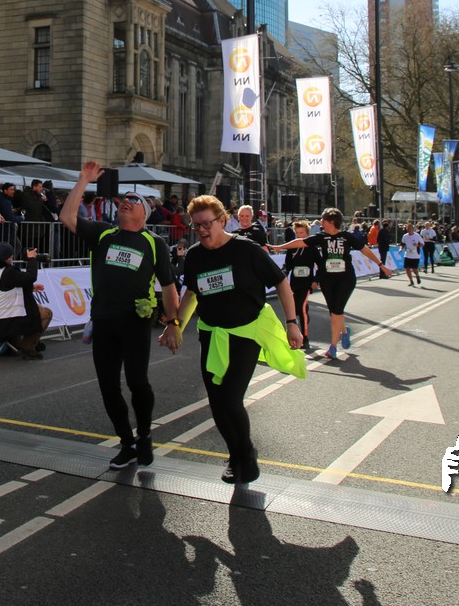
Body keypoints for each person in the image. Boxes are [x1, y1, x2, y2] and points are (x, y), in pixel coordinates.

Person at [160, 195, 304, 484]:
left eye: (207, 224)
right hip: (212, 334)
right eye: (196, 225)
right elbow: (192, 293)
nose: (202, 230)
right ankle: (235, 455)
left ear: (223, 220)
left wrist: (292, 324)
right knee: (216, 402)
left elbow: (281, 282)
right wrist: (175, 325)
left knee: (230, 398)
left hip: (246, 332)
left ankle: (246, 454)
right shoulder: (196, 256)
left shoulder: (246, 250)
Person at [59, 161, 177, 470]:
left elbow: (168, 286)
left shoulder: (154, 243)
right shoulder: (103, 234)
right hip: (104, 321)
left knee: (138, 382)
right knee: (108, 386)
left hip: (134, 323)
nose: (126, 200)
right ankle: (127, 443)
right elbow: (67, 217)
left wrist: (173, 322)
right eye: (124, 198)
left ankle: (145, 434)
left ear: (144, 214)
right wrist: (83, 180)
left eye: (134, 200)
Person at [272, 208, 393, 361]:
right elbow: (300, 242)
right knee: (334, 311)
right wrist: (279, 247)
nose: (321, 223)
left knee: (336, 311)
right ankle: (344, 331)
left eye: (323, 220)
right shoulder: (321, 237)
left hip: (345, 279)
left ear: (331, 222)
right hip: (327, 279)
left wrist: (381, 265)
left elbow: (365, 250)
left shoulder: (346, 237)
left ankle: (333, 347)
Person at [0, 243, 53, 359]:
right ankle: (28, 347)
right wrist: (32, 259)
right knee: (45, 313)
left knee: (18, 310)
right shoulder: (8, 272)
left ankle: (13, 344)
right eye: (11, 256)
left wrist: (31, 287)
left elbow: (4, 287)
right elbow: (31, 277)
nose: (13, 259)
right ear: (7, 258)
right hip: (3, 322)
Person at [281, 220, 319, 354]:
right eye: (297, 233)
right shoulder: (292, 247)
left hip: (307, 283)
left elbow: (321, 265)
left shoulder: (312, 248)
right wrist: (284, 273)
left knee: (301, 308)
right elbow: (288, 264)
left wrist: (316, 279)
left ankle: (305, 338)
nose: (299, 236)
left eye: (302, 233)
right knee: (296, 309)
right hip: (295, 283)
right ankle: (304, 318)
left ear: (307, 234)